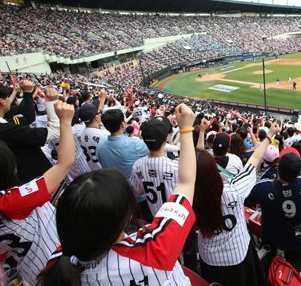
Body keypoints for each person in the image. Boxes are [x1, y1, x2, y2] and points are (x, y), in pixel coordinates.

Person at [38, 103, 198, 286]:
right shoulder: (153, 249)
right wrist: (186, 128)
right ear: (125, 216)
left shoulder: (57, 264)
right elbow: (185, 183)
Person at [0, 100, 76, 285]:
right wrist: (66, 121)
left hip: (31, 269)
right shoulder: (10, 201)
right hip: (57, 265)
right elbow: (65, 163)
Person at [193, 122, 280, 286]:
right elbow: (254, 158)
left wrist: (202, 131)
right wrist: (270, 135)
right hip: (237, 255)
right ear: (213, 169)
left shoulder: (188, 196)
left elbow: (195, 164)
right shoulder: (233, 190)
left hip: (208, 256)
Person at [246, 144, 301, 271]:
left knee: (268, 260)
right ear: (299, 172)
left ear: (278, 167)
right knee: (294, 265)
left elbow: (247, 200)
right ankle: (294, 276)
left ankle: (268, 274)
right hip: (298, 236)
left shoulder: (263, 187)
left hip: (272, 233)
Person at [0, 80, 57, 182]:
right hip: (34, 186)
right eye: (7, 97)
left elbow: (28, 118)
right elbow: (55, 131)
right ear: (2, 101)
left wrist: (27, 93)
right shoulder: (5, 130)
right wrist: (52, 102)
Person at [77, 103, 110, 171]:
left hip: (91, 171)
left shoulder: (79, 134)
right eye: (99, 112)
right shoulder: (105, 134)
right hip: (105, 172)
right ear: (96, 117)